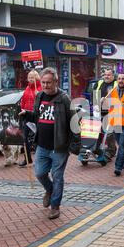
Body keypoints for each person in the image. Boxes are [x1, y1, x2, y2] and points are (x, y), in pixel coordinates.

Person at [19, 67, 80, 219]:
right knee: (39, 173)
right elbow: (38, 117)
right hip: (42, 145)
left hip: (59, 147)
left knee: (57, 176)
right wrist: (27, 114)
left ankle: (55, 206)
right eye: (43, 83)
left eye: (48, 83)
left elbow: (74, 123)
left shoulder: (64, 99)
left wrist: (75, 146)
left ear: (55, 82)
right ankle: (49, 189)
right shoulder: (40, 95)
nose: (45, 86)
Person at [19, 69, 42, 167]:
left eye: (32, 77)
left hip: (36, 116)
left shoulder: (40, 88)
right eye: (29, 78)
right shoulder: (27, 88)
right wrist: (22, 108)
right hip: (27, 115)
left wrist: (38, 95)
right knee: (25, 138)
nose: (30, 79)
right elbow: (24, 100)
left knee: (38, 139)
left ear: (36, 78)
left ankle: (39, 160)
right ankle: (27, 158)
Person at [94, 68, 117, 161]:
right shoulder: (99, 83)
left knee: (109, 133)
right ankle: (96, 148)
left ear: (113, 76)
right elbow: (94, 94)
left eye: (109, 75)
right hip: (99, 112)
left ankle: (111, 151)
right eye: (105, 74)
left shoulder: (116, 84)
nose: (106, 76)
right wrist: (95, 104)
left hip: (112, 112)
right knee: (98, 132)